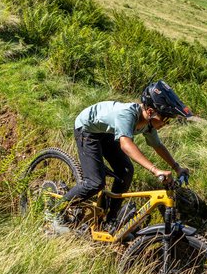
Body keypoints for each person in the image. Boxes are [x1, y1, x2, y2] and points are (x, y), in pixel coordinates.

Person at [55, 80, 192, 233]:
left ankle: (110, 219)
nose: (166, 123)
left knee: (125, 172)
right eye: (164, 119)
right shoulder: (127, 115)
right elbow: (126, 145)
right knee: (94, 182)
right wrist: (155, 170)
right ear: (150, 111)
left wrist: (177, 167)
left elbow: (158, 146)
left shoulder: (148, 124)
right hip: (87, 129)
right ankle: (55, 211)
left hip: (107, 133)